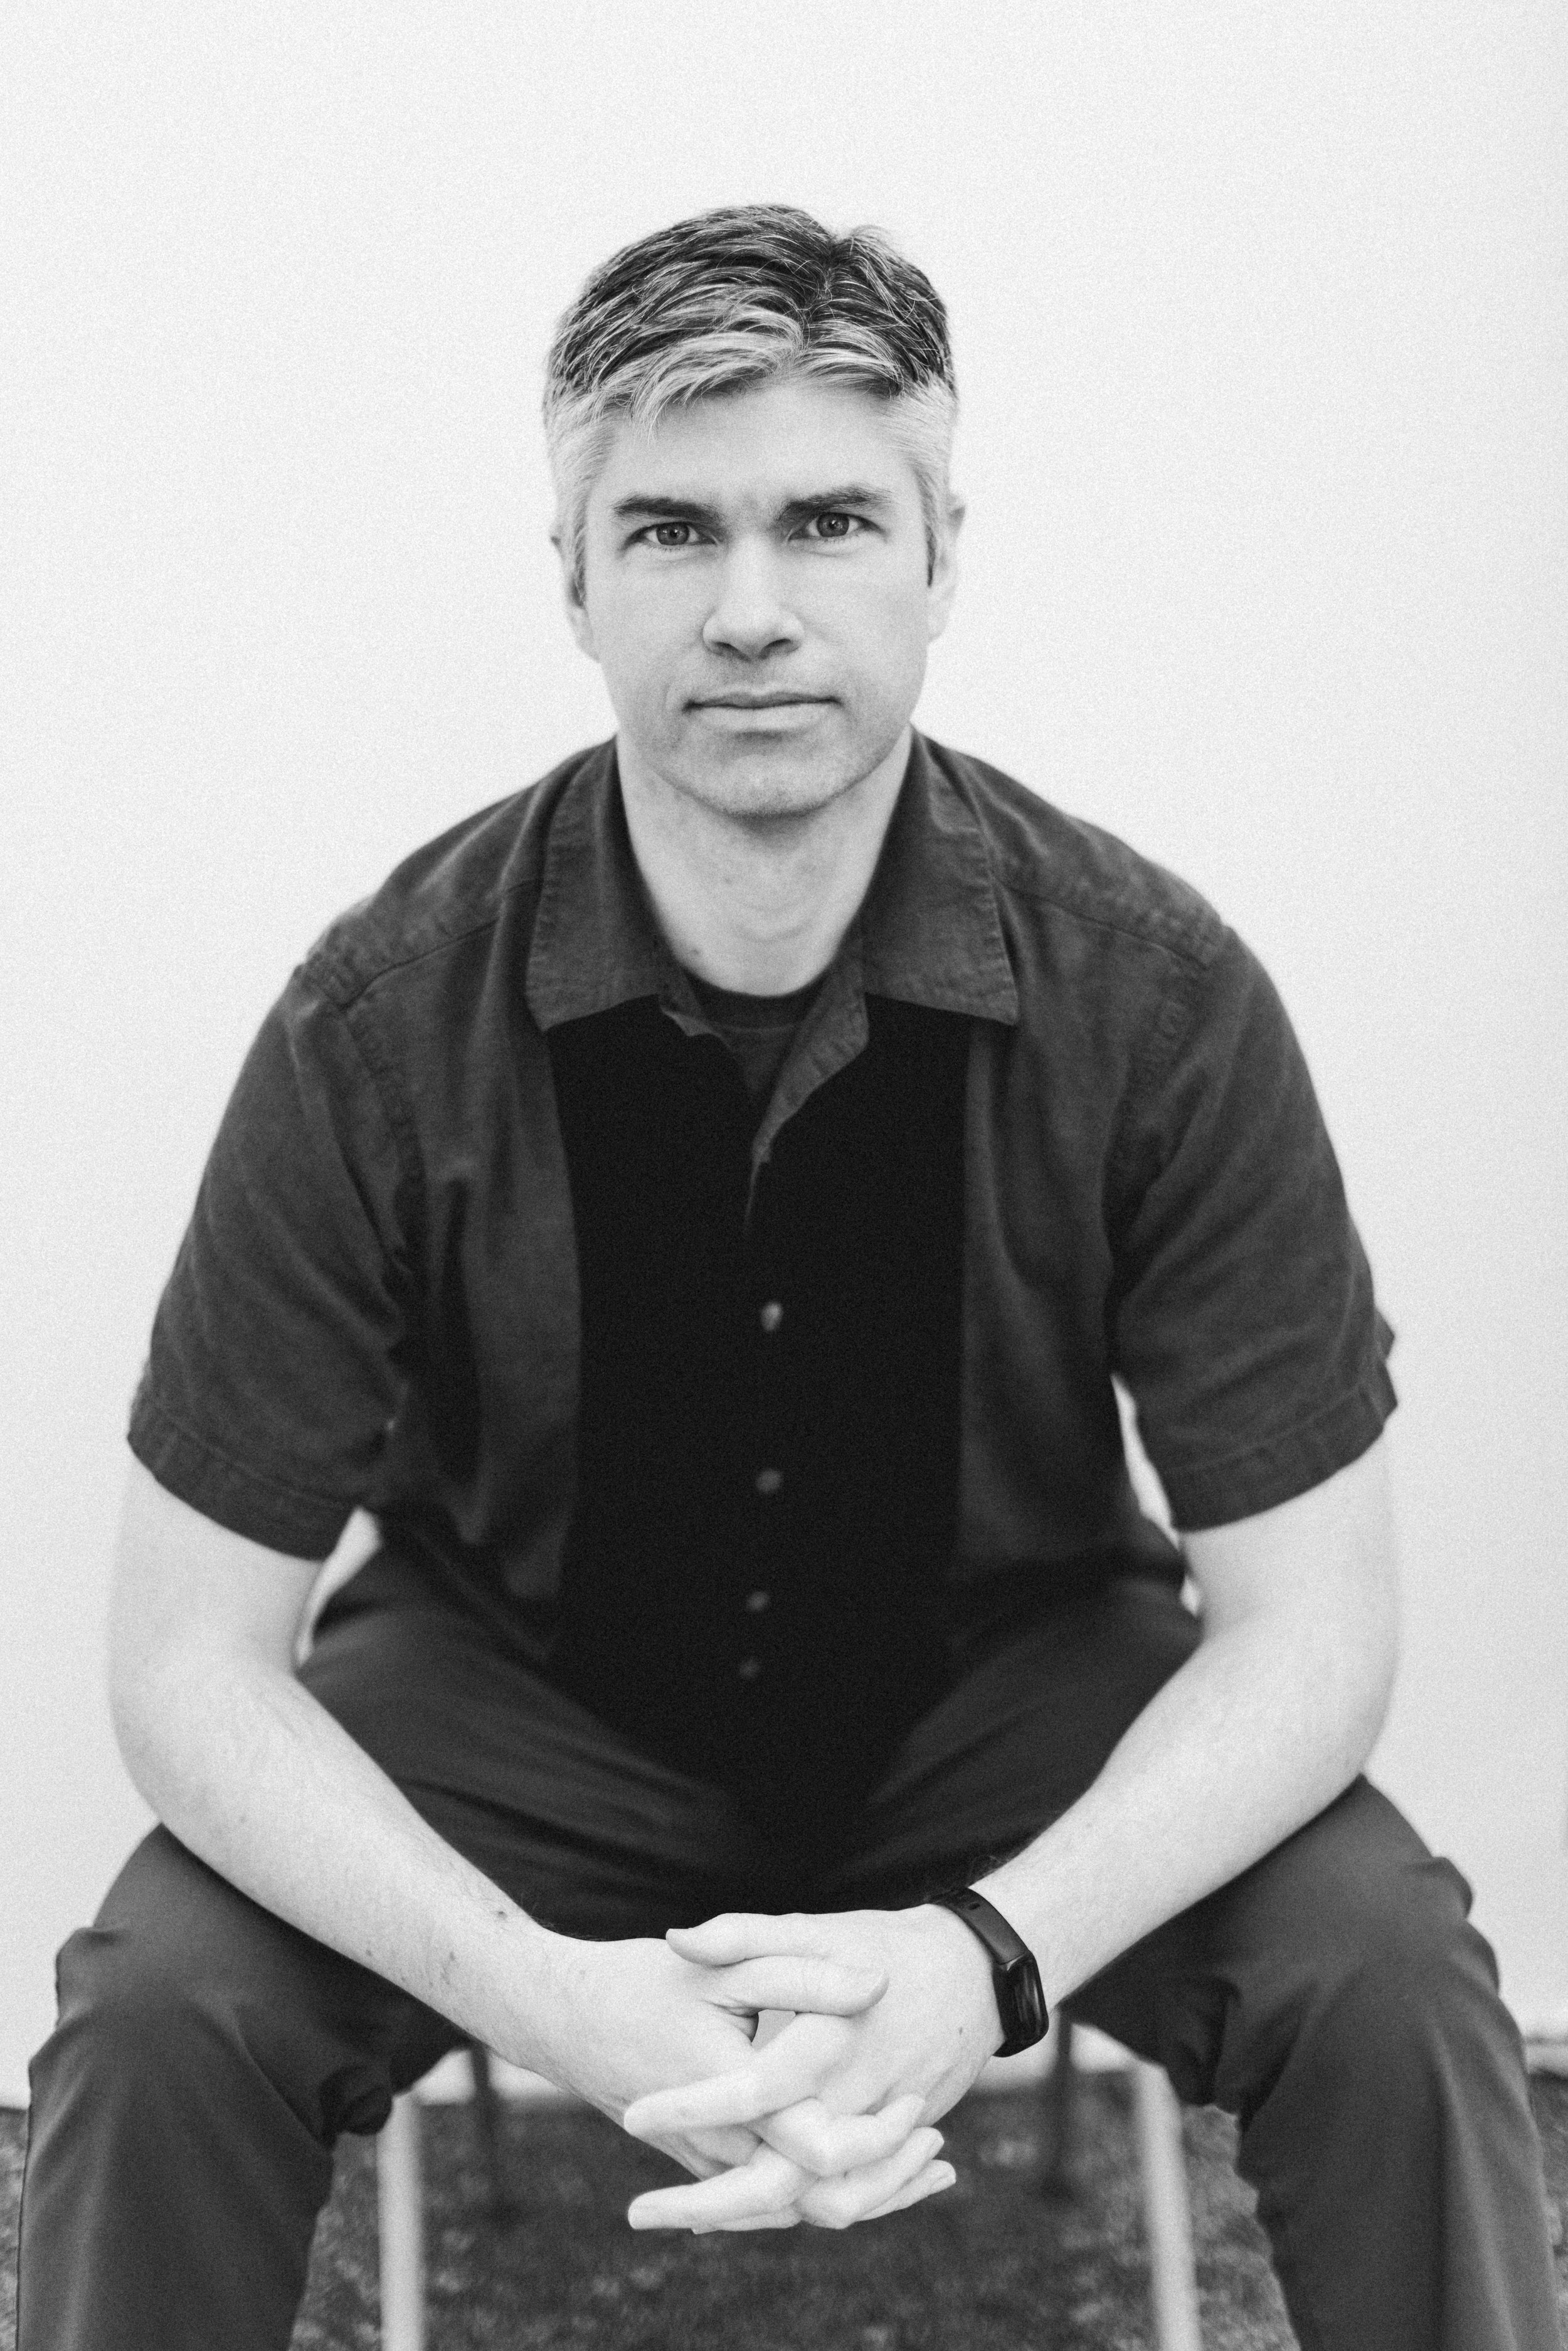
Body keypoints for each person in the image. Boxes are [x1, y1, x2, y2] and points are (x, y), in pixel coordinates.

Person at [16, 204, 1559, 2350]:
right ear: (573, 578)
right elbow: (186, 1665)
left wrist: (986, 1957)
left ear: (940, 557)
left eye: (828, 519)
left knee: (1388, 1972)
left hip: (1000, 1679)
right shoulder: (376, 1024)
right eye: (668, 532)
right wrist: (551, 1996)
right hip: (515, 1688)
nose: (752, 612)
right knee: (162, 2009)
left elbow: (1318, 1630)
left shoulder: (1160, 997)